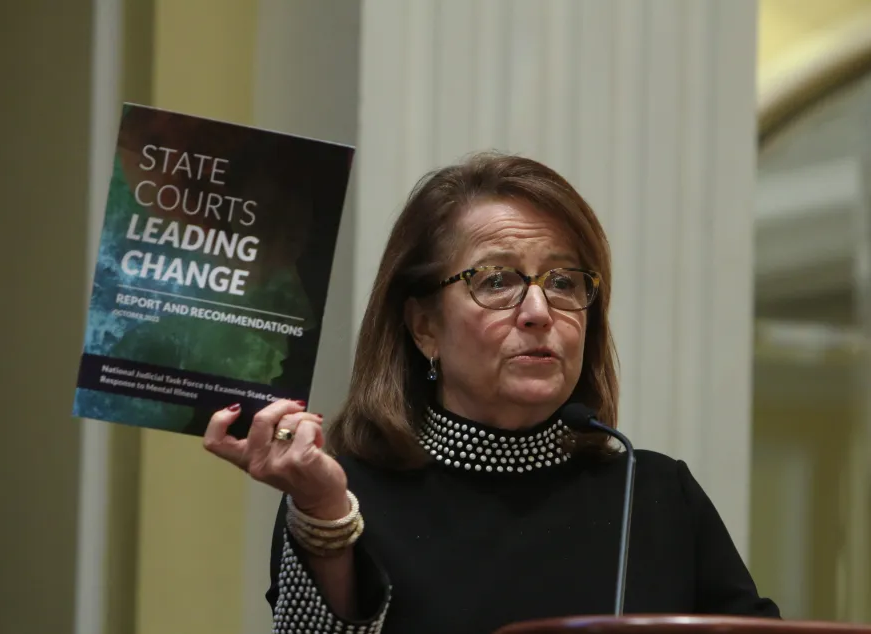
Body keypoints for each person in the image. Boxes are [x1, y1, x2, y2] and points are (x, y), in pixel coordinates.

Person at [203, 152, 780, 634]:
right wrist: (324, 517)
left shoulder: (654, 494)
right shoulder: (344, 496)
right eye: (496, 280)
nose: (538, 311)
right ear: (424, 325)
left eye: (563, 281)